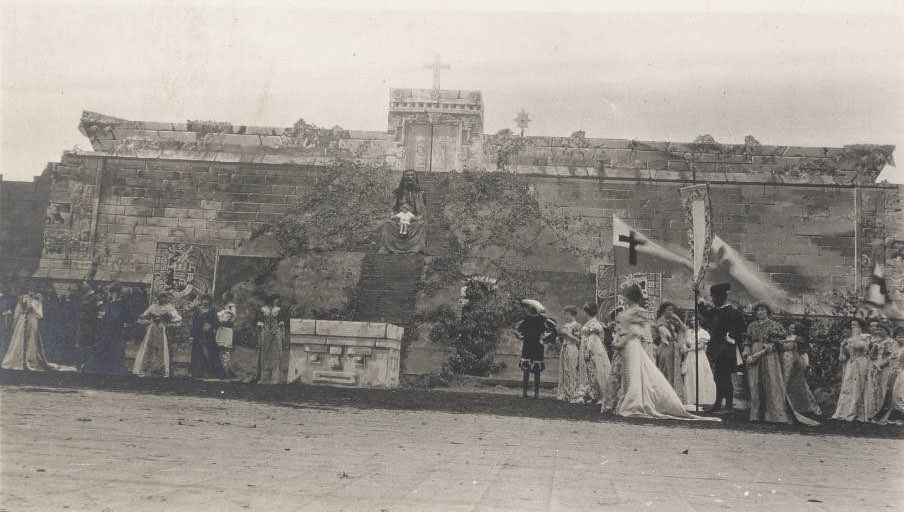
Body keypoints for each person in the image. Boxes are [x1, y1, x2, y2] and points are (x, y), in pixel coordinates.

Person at [607, 285, 718, 421]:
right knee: (625, 373)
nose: (623, 299)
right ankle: (619, 403)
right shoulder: (627, 311)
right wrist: (619, 339)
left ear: (630, 297)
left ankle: (634, 403)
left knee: (636, 374)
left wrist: (624, 340)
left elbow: (640, 331)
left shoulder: (640, 312)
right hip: (626, 346)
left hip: (633, 344)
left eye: (625, 296)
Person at [742, 304, 819, 425]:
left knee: (771, 383)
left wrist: (758, 354)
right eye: (757, 310)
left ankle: (773, 415)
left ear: (768, 311)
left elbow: (775, 344)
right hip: (752, 356)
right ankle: (756, 415)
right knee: (755, 383)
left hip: (768, 356)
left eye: (762, 310)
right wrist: (746, 355)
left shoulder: (774, 325)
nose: (760, 312)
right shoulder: (751, 326)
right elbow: (747, 342)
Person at [1, 288, 74, 371]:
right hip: (22, 321)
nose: (30, 291)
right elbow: (18, 311)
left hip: (32, 320)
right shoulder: (22, 298)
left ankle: (30, 360)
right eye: (28, 290)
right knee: (18, 340)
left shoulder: (37, 299)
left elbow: (39, 314)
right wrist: (15, 322)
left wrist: (33, 304)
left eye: (32, 290)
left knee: (32, 340)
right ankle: (18, 361)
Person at [705, 283, 746, 413]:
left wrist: (731, 334)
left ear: (721, 297)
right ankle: (718, 403)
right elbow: (705, 315)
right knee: (718, 376)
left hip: (727, 350)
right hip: (718, 349)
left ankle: (728, 405)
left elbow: (740, 328)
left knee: (725, 377)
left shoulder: (732, 312)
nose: (712, 299)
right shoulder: (716, 311)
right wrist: (698, 299)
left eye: (714, 297)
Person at [832, 319, 875, 422]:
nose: (853, 327)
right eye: (852, 325)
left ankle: (858, 413)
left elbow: (866, 349)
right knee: (848, 386)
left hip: (861, 362)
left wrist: (855, 342)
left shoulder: (866, 337)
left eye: (855, 325)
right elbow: (843, 357)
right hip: (850, 364)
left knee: (859, 386)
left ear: (861, 326)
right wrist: (842, 347)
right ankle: (845, 411)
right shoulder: (848, 339)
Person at [514, 300, 558, 399]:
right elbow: (554, 328)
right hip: (538, 346)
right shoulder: (543, 319)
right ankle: (536, 394)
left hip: (527, 345)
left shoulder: (526, 319)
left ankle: (524, 393)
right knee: (537, 371)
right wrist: (545, 338)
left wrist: (520, 337)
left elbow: (516, 329)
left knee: (526, 370)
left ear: (529, 310)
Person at [82, 284, 129, 375]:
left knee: (113, 347)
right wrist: (101, 315)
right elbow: (104, 311)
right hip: (106, 328)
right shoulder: (110, 302)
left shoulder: (120, 303)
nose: (111, 294)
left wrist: (105, 316)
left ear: (118, 293)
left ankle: (111, 367)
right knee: (103, 346)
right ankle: (100, 366)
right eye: (111, 293)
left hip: (115, 329)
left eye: (113, 293)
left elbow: (116, 316)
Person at [133, 293, 182, 378]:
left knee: (162, 349)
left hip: (163, 330)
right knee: (149, 347)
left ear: (166, 299)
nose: (161, 299)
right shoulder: (153, 306)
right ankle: (148, 368)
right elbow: (144, 315)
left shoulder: (169, 307)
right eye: (160, 297)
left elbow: (178, 318)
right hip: (152, 330)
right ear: (158, 298)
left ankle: (162, 370)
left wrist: (168, 323)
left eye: (163, 298)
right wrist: (146, 319)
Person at [379, 170, 427, 254]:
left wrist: (416, 218)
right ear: (403, 178)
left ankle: (414, 248)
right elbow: (393, 208)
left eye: (412, 176)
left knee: (420, 224)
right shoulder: (397, 192)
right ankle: (390, 248)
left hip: (412, 219)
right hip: (399, 218)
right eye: (407, 175)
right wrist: (394, 216)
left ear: (415, 178)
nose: (410, 178)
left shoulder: (420, 193)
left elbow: (422, 210)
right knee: (387, 223)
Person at [779, 322, 821, 416]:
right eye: (790, 328)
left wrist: (805, 363)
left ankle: (802, 407)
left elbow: (803, 352)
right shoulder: (784, 338)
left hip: (795, 361)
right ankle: (784, 405)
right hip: (783, 360)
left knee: (796, 382)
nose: (791, 330)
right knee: (784, 381)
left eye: (793, 328)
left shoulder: (798, 339)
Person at [682, 313, 717, 409]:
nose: (693, 322)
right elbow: (686, 343)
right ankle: (691, 399)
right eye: (692, 320)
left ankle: (702, 399)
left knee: (699, 375)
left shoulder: (703, 333)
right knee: (690, 375)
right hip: (690, 357)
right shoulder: (689, 332)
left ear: (699, 321)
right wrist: (685, 347)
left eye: (695, 320)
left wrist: (689, 349)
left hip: (699, 356)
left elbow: (701, 346)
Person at [654, 302, 686, 402]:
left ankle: (673, 395)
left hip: (673, 347)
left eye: (672, 310)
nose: (671, 312)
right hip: (666, 347)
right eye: (669, 310)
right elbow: (667, 336)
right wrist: (674, 338)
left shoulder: (671, 321)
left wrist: (678, 320)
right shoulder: (661, 321)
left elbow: (683, 329)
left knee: (673, 370)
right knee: (667, 369)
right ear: (663, 310)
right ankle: (665, 396)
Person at [580, 302, 611, 406]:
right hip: (588, 348)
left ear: (586, 312)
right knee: (591, 372)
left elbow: (593, 339)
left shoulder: (594, 324)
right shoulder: (591, 322)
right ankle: (594, 395)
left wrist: (588, 351)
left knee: (595, 372)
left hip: (593, 350)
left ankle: (600, 396)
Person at [189, 295, 225, 379]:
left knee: (210, 353)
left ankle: (212, 373)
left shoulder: (212, 311)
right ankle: (197, 373)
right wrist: (192, 335)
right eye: (203, 300)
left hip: (208, 336)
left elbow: (217, 323)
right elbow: (193, 324)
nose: (205, 302)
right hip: (198, 335)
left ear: (209, 302)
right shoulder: (197, 312)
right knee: (197, 354)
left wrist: (211, 326)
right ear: (201, 301)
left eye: (207, 300)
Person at [555, 306, 586, 403]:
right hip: (564, 348)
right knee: (564, 369)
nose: (565, 315)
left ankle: (573, 393)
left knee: (572, 370)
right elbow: (562, 339)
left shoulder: (577, 326)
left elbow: (578, 340)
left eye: (566, 313)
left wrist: (567, 334)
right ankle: (564, 393)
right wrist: (560, 334)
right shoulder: (566, 325)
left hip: (572, 348)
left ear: (570, 313)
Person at [874, 326, 904, 424]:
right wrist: (878, 364)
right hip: (893, 373)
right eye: (898, 337)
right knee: (890, 395)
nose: (900, 338)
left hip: (901, 374)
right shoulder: (895, 348)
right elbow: (888, 359)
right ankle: (893, 417)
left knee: (899, 395)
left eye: (903, 336)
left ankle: (901, 417)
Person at [255, 294, 287, 385]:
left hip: (276, 332)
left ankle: (276, 378)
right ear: (271, 300)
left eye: (277, 300)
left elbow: (281, 323)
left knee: (277, 353)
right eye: (276, 300)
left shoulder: (278, 310)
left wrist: (282, 334)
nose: (277, 301)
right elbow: (259, 322)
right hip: (265, 332)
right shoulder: (263, 309)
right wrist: (261, 331)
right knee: (264, 354)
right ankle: (264, 378)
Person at [868, 323, 896, 417]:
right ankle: (876, 411)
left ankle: (886, 413)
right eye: (878, 330)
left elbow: (892, 357)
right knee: (877, 388)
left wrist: (881, 364)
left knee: (885, 388)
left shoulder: (890, 342)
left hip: (887, 368)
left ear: (886, 331)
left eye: (881, 330)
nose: (879, 331)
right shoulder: (878, 342)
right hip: (877, 367)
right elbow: (872, 356)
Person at [215, 291, 237, 373]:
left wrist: (215, 318)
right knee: (220, 349)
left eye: (224, 297)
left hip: (226, 331)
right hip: (221, 330)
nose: (222, 298)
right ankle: (221, 369)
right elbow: (219, 315)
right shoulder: (226, 308)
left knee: (226, 350)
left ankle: (226, 369)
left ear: (228, 298)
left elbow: (223, 320)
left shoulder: (231, 308)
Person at [0, 284, 17, 359]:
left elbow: (12, 309)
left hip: (4, 322)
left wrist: (8, 311)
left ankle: (3, 356)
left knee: (4, 338)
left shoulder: (7, 299)